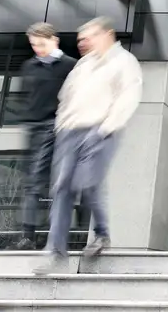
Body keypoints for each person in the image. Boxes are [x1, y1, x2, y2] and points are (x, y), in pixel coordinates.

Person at [35, 17, 142, 274]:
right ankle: (55, 253)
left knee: (88, 182)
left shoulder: (124, 62)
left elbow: (128, 97)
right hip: (70, 132)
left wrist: (105, 128)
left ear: (107, 34)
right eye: (81, 38)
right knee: (62, 188)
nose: (83, 42)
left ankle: (102, 234)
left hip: (100, 130)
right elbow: (66, 97)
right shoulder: (83, 65)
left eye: (89, 36)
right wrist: (62, 126)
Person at [14, 22, 76, 250]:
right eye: (34, 45)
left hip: (59, 125)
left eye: (42, 44)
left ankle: (56, 235)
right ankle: (27, 236)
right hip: (34, 127)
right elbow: (24, 97)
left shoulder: (70, 66)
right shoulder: (29, 66)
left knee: (61, 181)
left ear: (54, 41)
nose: (38, 49)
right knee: (32, 182)